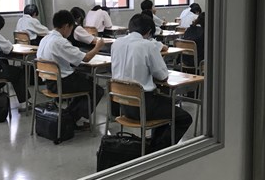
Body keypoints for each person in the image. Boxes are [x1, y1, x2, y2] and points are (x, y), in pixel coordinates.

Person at [111, 13, 193, 149]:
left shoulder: (116, 43)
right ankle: (157, 149)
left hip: (122, 105)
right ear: (149, 32)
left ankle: (155, 143)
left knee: (166, 104)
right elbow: (163, 76)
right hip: (143, 105)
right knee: (183, 117)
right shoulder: (148, 46)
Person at [37, 10, 105, 128]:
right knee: (97, 90)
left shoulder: (45, 39)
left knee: (84, 83)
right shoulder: (60, 42)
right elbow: (86, 58)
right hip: (61, 83)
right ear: (66, 26)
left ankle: (67, 116)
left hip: (49, 81)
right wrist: (98, 47)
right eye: (71, 28)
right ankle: (71, 119)